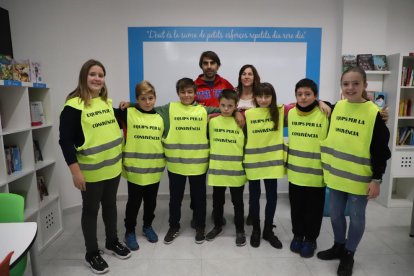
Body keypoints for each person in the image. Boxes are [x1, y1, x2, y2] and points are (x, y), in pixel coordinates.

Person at [59, 59, 131, 274]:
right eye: (93, 74)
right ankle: (91, 253)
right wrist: (75, 172)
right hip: (90, 171)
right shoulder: (73, 106)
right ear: (84, 76)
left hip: (112, 168)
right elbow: (65, 141)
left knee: (110, 206)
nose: (97, 78)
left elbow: (114, 125)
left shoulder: (106, 102)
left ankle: (112, 241)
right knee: (91, 211)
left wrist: (127, 107)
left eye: (101, 74)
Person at [317, 67, 391, 276]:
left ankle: (349, 254)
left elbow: (380, 151)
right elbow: (314, 101)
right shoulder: (338, 107)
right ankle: (338, 246)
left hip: (360, 178)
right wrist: (321, 102)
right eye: (346, 84)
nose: (350, 88)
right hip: (336, 174)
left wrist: (376, 179)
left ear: (365, 86)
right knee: (335, 214)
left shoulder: (374, 114)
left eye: (356, 83)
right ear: (341, 87)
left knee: (357, 218)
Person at [154, 77, 219, 244]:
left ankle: (200, 226)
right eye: (182, 92)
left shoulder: (204, 110)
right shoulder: (170, 108)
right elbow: (147, 109)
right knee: (175, 198)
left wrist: (240, 113)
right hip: (176, 164)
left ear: (195, 93)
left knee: (200, 198)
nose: (186, 95)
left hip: (198, 164)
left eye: (190, 92)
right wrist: (130, 106)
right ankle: (173, 226)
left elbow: (225, 109)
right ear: (178, 93)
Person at [116, 80, 165, 251]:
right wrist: (130, 105)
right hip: (135, 170)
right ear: (137, 99)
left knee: (151, 202)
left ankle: (147, 226)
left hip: (154, 169)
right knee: (134, 203)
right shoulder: (127, 114)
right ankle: (129, 231)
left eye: (150, 98)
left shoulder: (160, 116)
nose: (147, 102)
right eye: (143, 99)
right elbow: (107, 113)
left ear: (155, 98)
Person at [286, 78, 329, 258]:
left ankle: (311, 239)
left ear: (316, 95)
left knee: (314, 210)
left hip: (316, 174)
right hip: (295, 173)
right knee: (296, 208)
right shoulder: (290, 112)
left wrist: (323, 103)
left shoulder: (325, 112)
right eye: (299, 94)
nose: (303, 98)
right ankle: (298, 235)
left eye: (308, 94)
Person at [243, 82, 284, 249]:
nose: (263, 99)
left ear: (273, 97)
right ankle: (256, 229)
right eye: (260, 96)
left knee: (272, 197)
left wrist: (321, 102)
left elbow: (302, 104)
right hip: (253, 162)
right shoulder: (248, 114)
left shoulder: (280, 111)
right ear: (254, 98)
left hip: (272, 163)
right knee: (254, 197)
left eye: (267, 96)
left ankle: (268, 229)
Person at [205, 90, 247, 246]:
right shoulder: (212, 122)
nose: (226, 109)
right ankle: (217, 226)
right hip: (218, 170)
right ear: (218, 105)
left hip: (236, 170)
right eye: (223, 105)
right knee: (217, 201)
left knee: (238, 203)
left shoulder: (241, 122)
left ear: (236, 106)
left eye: (230, 106)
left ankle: (240, 230)